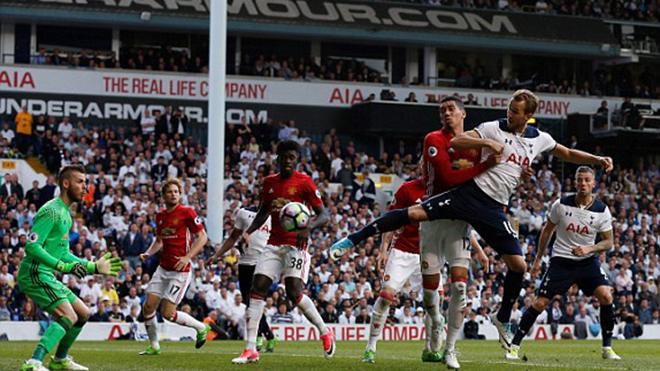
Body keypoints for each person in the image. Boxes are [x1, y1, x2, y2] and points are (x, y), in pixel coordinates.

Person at [331, 89, 613, 353]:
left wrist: (597, 159)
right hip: (470, 194)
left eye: (516, 111)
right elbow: (457, 141)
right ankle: (354, 237)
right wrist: (486, 142)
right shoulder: (493, 127)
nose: (510, 114)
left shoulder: (539, 138)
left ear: (528, 116)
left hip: (494, 209)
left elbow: (567, 153)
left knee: (519, 265)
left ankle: (502, 317)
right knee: (414, 212)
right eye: (510, 109)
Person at [232, 140, 334, 364]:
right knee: (256, 289)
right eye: (284, 157)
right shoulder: (269, 183)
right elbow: (263, 212)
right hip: (273, 244)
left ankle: (324, 330)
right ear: (277, 159)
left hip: (296, 246)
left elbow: (324, 214)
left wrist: (308, 228)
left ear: (297, 159)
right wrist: (248, 233)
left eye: (292, 157)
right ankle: (250, 349)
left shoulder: (305, 183)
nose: (288, 161)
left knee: (294, 294)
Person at [507, 167, 621, 361]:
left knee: (606, 296)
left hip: (587, 261)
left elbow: (609, 242)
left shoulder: (602, 210)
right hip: (561, 261)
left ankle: (607, 348)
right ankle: (514, 345)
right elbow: (546, 231)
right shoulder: (561, 205)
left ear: (593, 183)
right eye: (579, 180)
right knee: (540, 303)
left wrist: (589, 249)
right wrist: (537, 261)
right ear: (575, 183)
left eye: (587, 180)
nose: (583, 183)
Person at [17, 165, 122, 371]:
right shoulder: (51, 211)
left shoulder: (66, 214)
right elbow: (32, 245)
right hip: (34, 273)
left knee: (83, 313)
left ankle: (59, 360)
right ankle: (34, 362)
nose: (85, 187)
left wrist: (94, 267)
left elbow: (63, 253)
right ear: (66, 184)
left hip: (46, 273)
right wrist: (61, 266)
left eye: (85, 182)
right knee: (69, 316)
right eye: (80, 182)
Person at [138, 178, 210, 355]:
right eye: (170, 192)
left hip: (181, 271)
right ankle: (154, 346)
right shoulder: (161, 216)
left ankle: (201, 328)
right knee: (148, 307)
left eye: (176, 192)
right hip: (163, 268)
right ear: (164, 196)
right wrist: (149, 253)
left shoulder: (187, 212)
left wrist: (187, 257)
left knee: (167, 313)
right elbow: (159, 241)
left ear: (180, 194)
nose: (174, 194)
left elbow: (203, 237)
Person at [207, 206, 278, 353]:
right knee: (248, 302)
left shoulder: (274, 216)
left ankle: (258, 335)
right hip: (245, 262)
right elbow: (233, 237)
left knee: (254, 299)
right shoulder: (244, 213)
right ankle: (269, 336)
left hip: (262, 262)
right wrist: (216, 256)